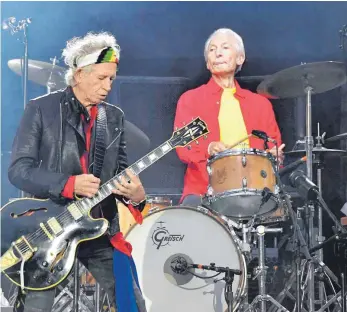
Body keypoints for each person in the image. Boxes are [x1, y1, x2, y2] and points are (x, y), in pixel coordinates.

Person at [8, 32, 147, 312]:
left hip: (97, 226)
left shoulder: (114, 117)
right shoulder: (40, 109)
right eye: (100, 78)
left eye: (111, 79)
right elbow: (18, 170)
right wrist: (67, 184)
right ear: (79, 74)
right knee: (37, 304)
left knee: (132, 303)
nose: (107, 86)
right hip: (50, 225)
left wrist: (137, 195)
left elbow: (119, 172)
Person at [174, 28, 285, 206]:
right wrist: (208, 148)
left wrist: (275, 157)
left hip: (255, 192)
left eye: (225, 48)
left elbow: (274, 147)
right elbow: (183, 149)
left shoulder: (260, 104)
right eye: (212, 50)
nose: (217, 53)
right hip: (203, 192)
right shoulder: (190, 100)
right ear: (208, 63)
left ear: (240, 58)